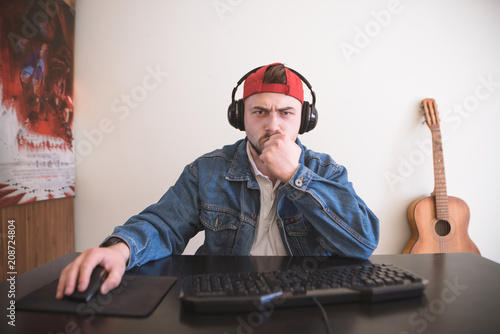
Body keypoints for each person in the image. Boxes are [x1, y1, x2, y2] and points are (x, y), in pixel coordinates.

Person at [56, 62, 379, 299]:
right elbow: (162, 226)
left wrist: (297, 177)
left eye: (286, 113)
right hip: (226, 300)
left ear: (305, 121)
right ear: (239, 117)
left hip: (305, 304)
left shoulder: (325, 172)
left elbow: (362, 242)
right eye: (260, 112)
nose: (273, 125)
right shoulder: (207, 171)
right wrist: (120, 250)